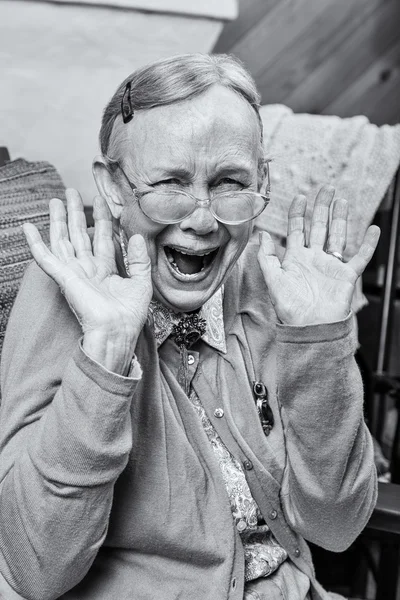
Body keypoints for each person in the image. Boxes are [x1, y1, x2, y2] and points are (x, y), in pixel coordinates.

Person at [0, 53, 379, 600]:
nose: (202, 220)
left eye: (229, 182)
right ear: (112, 187)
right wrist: (104, 353)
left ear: (261, 181)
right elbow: (35, 568)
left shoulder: (275, 280)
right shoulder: (68, 285)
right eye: (170, 182)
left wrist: (318, 343)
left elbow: (336, 527)